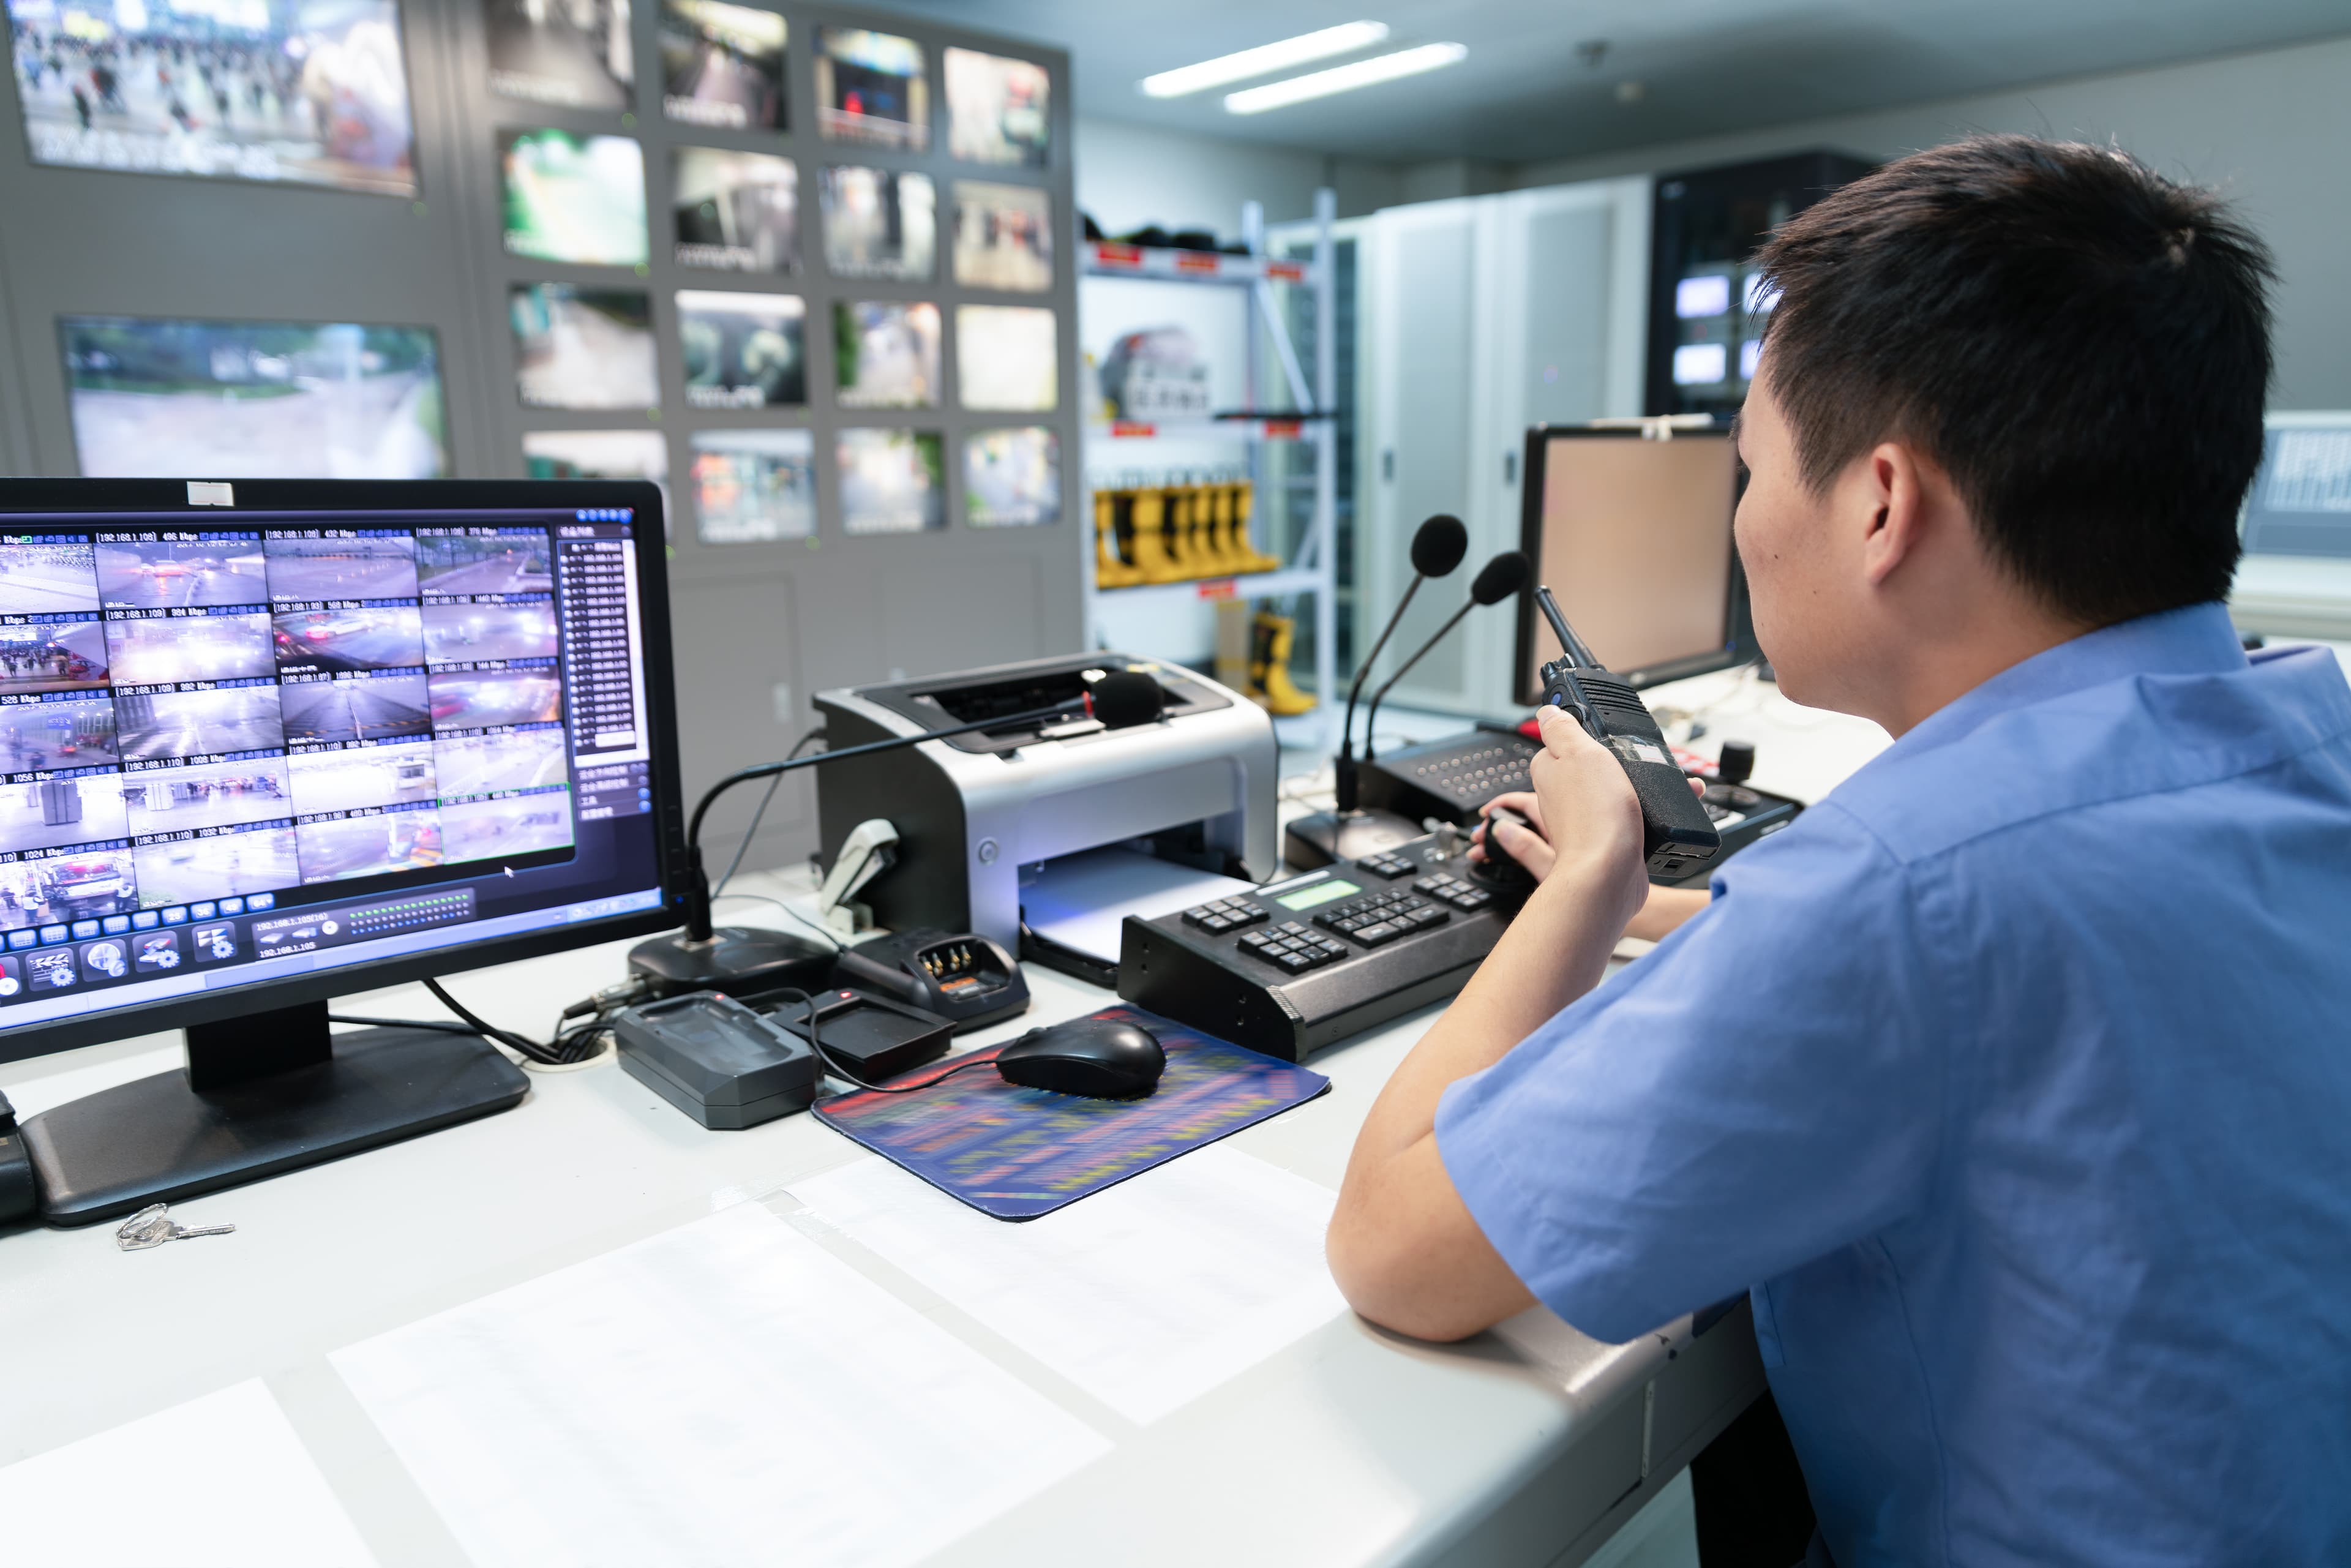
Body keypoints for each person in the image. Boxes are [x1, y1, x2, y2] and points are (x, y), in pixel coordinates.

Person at [1326, 135, 2351, 1567]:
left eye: (1748, 469)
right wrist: (1688, 911)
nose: (1746, 522)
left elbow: (1394, 1246)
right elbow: (2043, 984)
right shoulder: (2310, 731)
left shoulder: (1905, 891)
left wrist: (1578, 889)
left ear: (1882, 503)